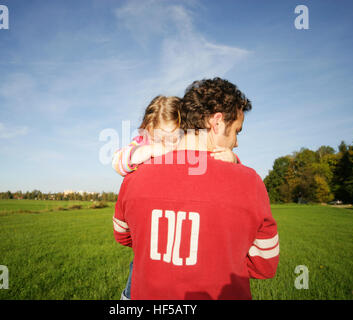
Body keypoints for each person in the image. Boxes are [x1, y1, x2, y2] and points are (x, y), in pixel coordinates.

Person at [113, 77, 279, 300]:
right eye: (237, 131)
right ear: (217, 122)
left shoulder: (135, 176)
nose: (237, 142)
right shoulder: (250, 182)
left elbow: (123, 236)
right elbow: (263, 265)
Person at [112, 94, 239, 299]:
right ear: (148, 132)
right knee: (140, 270)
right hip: (151, 229)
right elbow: (118, 162)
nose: (166, 146)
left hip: (183, 221)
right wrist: (147, 151)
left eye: (172, 140)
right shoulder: (143, 145)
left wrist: (232, 159)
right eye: (158, 139)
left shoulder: (191, 149)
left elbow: (215, 162)